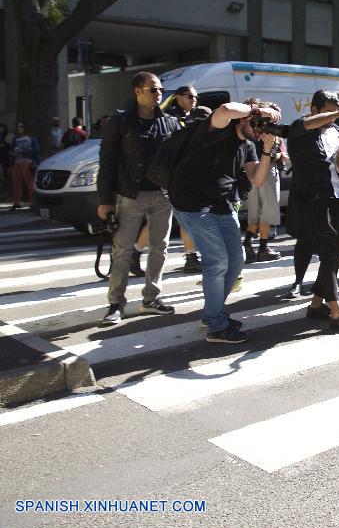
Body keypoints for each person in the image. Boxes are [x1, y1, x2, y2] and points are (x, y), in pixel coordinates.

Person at [169, 99, 282, 342]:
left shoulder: (250, 145)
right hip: (191, 202)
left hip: (222, 203)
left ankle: (212, 313)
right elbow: (225, 110)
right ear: (246, 117)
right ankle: (216, 326)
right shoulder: (218, 128)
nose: (260, 128)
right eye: (258, 123)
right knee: (217, 261)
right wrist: (261, 111)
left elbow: (258, 179)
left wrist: (266, 151)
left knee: (237, 259)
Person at [97, 72, 181, 324]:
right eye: (153, 89)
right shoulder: (121, 122)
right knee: (122, 250)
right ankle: (115, 303)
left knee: (160, 247)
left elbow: (177, 159)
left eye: (160, 90)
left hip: (162, 195)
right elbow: (108, 160)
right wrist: (105, 198)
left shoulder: (170, 122)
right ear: (137, 91)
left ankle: (151, 298)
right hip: (129, 194)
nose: (159, 94)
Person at [283, 90, 339, 331]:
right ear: (315, 110)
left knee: (335, 255)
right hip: (315, 200)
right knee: (328, 254)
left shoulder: (335, 131)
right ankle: (337, 313)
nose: (332, 118)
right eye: (327, 112)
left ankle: (316, 305)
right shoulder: (301, 128)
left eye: (335, 112)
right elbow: (306, 124)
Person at [165, 86, 212, 273]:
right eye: (189, 96)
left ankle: (192, 256)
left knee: (185, 219)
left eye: (195, 96)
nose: (194, 99)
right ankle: (133, 253)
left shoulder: (191, 116)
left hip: (188, 178)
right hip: (174, 179)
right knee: (176, 220)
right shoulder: (171, 118)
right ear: (178, 97)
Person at [243, 132, 286, 262]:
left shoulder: (251, 133)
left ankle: (247, 243)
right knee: (268, 212)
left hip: (252, 172)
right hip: (268, 170)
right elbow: (274, 155)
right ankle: (263, 248)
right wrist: (281, 156)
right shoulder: (271, 134)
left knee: (254, 212)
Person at [9, 122, 39, 211]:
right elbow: (10, 151)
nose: (19, 128)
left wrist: (22, 152)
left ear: (25, 128)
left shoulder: (31, 138)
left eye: (21, 126)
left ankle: (33, 203)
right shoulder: (15, 139)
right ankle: (16, 203)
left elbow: (37, 150)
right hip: (17, 163)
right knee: (16, 184)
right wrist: (13, 154)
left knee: (29, 183)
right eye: (17, 126)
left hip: (28, 162)